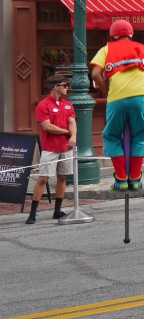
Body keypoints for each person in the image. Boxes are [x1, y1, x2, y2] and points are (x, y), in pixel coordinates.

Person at [90, 20, 144, 191]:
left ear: (113, 35)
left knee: (111, 135)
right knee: (140, 135)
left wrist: (106, 90)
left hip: (117, 97)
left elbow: (95, 73)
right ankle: (135, 178)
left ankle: (121, 179)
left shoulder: (106, 49)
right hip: (140, 96)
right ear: (131, 34)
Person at [26, 76, 77, 224]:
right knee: (43, 178)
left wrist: (73, 135)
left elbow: (72, 122)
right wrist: (67, 132)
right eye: (64, 85)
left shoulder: (68, 105)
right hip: (50, 148)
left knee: (62, 177)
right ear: (56, 87)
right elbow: (47, 127)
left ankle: (57, 211)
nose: (67, 88)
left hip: (66, 147)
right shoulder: (43, 105)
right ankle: (32, 214)